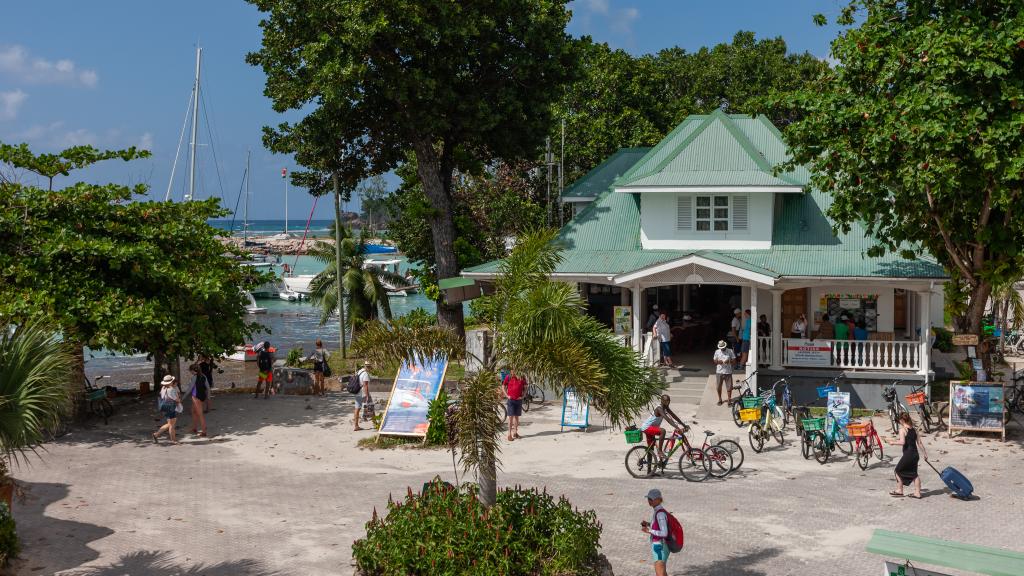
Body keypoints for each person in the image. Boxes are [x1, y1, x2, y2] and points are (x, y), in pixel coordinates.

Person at [889, 412, 928, 498]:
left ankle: (900, 490)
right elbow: (920, 443)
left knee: (897, 470)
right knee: (914, 474)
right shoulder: (914, 429)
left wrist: (893, 442)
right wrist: (925, 454)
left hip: (908, 454)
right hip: (915, 454)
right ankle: (917, 493)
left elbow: (902, 442)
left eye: (899, 421)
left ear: (902, 420)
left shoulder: (902, 430)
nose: (899, 422)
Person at [640, 395, 686, 460]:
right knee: (663, 431)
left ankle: (649, 469)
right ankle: (660, 452)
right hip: (647, 427)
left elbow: (674, 416)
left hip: (652, 428)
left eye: (669, 401)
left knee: (650, 449)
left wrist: (683, 425)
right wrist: (678, 428)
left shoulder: (665, 408)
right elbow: (668, 419)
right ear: (662, 401)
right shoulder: (659, 408)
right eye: (666, 401)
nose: (668, 403)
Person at [640, 488, 671, 576]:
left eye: (651, 499)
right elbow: (659, 526)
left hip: (659, 547)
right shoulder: (658, 511)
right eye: (648, 498)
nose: (649, 501)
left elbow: (664, 533)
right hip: (660, 546)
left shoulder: (660, 514)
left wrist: (649, 530)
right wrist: (649, 524)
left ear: (658, 500)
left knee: (660, 574)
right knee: (662, 573)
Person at [153, 375, 182, 444]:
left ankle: (156, 434)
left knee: (169, 424)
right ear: (171, 382)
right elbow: (177, 400)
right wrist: (179, 401)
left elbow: (162, 395)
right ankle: (173, 440)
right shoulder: (171, 389)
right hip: (171, 407)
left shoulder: (163, 388)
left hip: (165, 407)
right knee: (172, 425)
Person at [502, 370, 526, 441]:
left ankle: (515, 432)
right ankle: (509, 434)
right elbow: (503, 387)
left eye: (516, 370)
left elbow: (526, 387)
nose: (514, 372)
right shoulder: (508, 377)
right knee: (510, 417)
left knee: (517, 417)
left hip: (518, 400)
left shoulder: (522, 377)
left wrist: (523, 396)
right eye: (513, 370)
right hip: (511, 400)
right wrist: (507, 396)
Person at [187, 364, 208, 437]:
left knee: (200, 414)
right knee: (193, 411)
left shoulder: (194, 377)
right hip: (202, 396)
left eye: (190, 370)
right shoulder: (203, 376)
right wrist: (208, 398)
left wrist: (182, 398)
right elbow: (208, 387)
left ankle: (204, 432)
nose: (190, 372)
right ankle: (194, 428)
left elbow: (189, 389)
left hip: (196, 397)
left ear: (193, 371)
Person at [713, 340, 736, 406]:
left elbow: (734, 361)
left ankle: (729, 400)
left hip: (728, 372)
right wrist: (718, 362)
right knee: (718, 387)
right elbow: (714, 361)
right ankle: (720, 399)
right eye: (721, 348)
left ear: (725, 346)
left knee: (729, 387)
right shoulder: (717, 351)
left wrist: (729, 361)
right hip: (719, 371)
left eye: (723, 347)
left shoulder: (730, 351)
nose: (722, 348)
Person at [353, 360, 372, 431]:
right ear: (369, 367)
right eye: (370, 367)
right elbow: (365, 386)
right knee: (369, 405)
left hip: (357, 391)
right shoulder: (366, 374)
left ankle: (356, 425)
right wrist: (367, 396)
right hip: (362, 392)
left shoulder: (360, 371)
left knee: (357, 408)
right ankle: (370, 420)